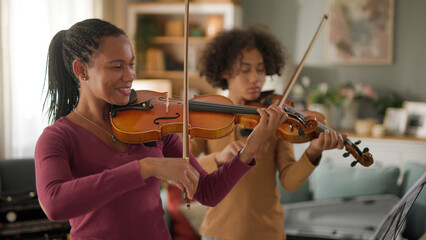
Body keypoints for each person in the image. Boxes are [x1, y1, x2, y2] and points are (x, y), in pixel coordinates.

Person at [34, 19, 287, 240]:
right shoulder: (58, 137)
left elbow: (208, 192)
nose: (129, 75)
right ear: (81, 70)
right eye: (116, 66)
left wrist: (252, 145)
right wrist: (147, 167)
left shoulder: (153, 126)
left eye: (132, 64)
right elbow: (55, 205)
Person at [167, 26, 346, 240]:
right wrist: (218, 158)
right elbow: (177, 168)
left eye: (260, 70)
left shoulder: (275, 118)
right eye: (245, 70)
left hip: (267, 233)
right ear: (224, 70)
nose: (256, 78)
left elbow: (289, 181)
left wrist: (313, 152)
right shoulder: (208, 115)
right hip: (218, 232)